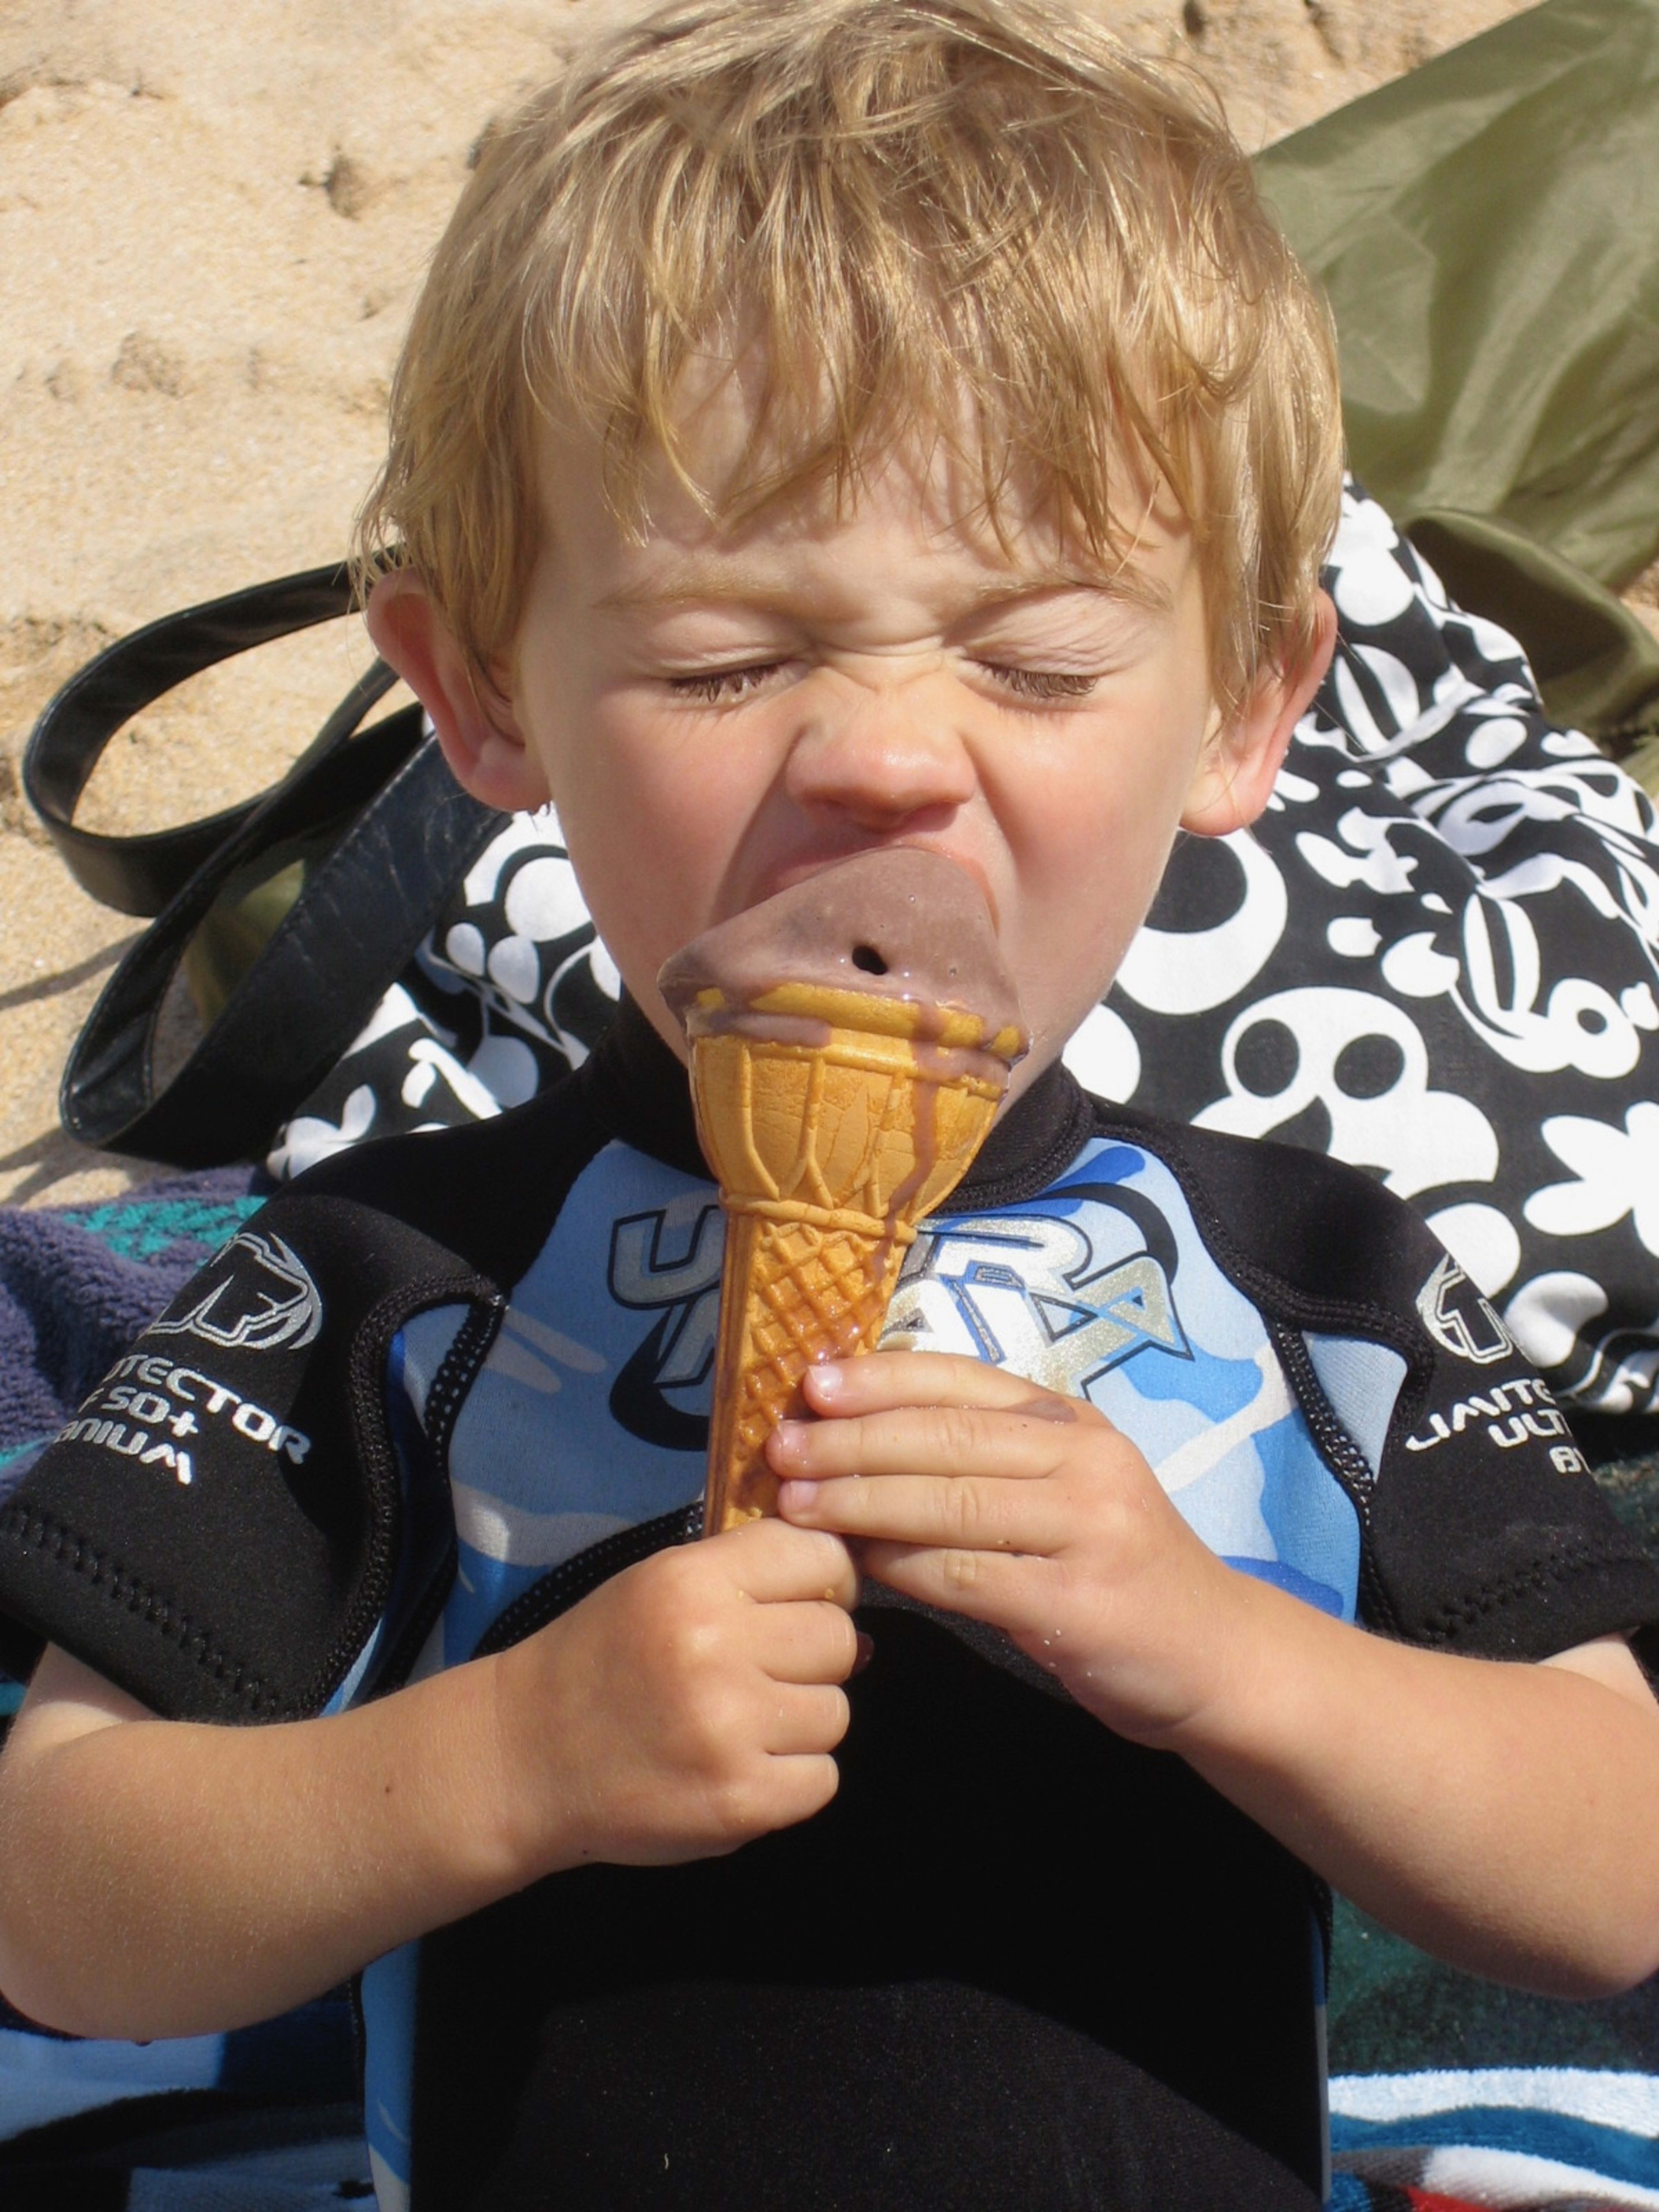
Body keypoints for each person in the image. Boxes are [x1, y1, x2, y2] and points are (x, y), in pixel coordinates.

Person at [2, 3, 1658, 2206]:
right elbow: (61, 1890)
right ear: (483, 697)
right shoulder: (387, 1269)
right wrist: (496, 1761)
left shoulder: (1321, 1276)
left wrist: (1227, 1652)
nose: (885, 754)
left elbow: (1612, 1863)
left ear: (1243, 716)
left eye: (1043, 662)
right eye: (722, 660)